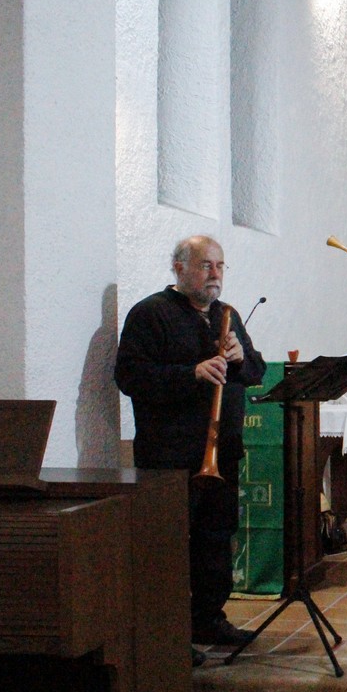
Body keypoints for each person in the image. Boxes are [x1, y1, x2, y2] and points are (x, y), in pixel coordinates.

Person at [115, 235, 266, 665]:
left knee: (215, 540)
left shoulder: (226, 315)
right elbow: (129, 376)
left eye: (220, 265)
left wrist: (240, 358)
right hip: (171, 457)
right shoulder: (150, 314)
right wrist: (192, 373)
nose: (215, 273)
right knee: (171, 548)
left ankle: (208, 619)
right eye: (205, 265)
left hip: (222, 453)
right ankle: (168, 634)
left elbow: (256, 371)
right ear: (179, 268)